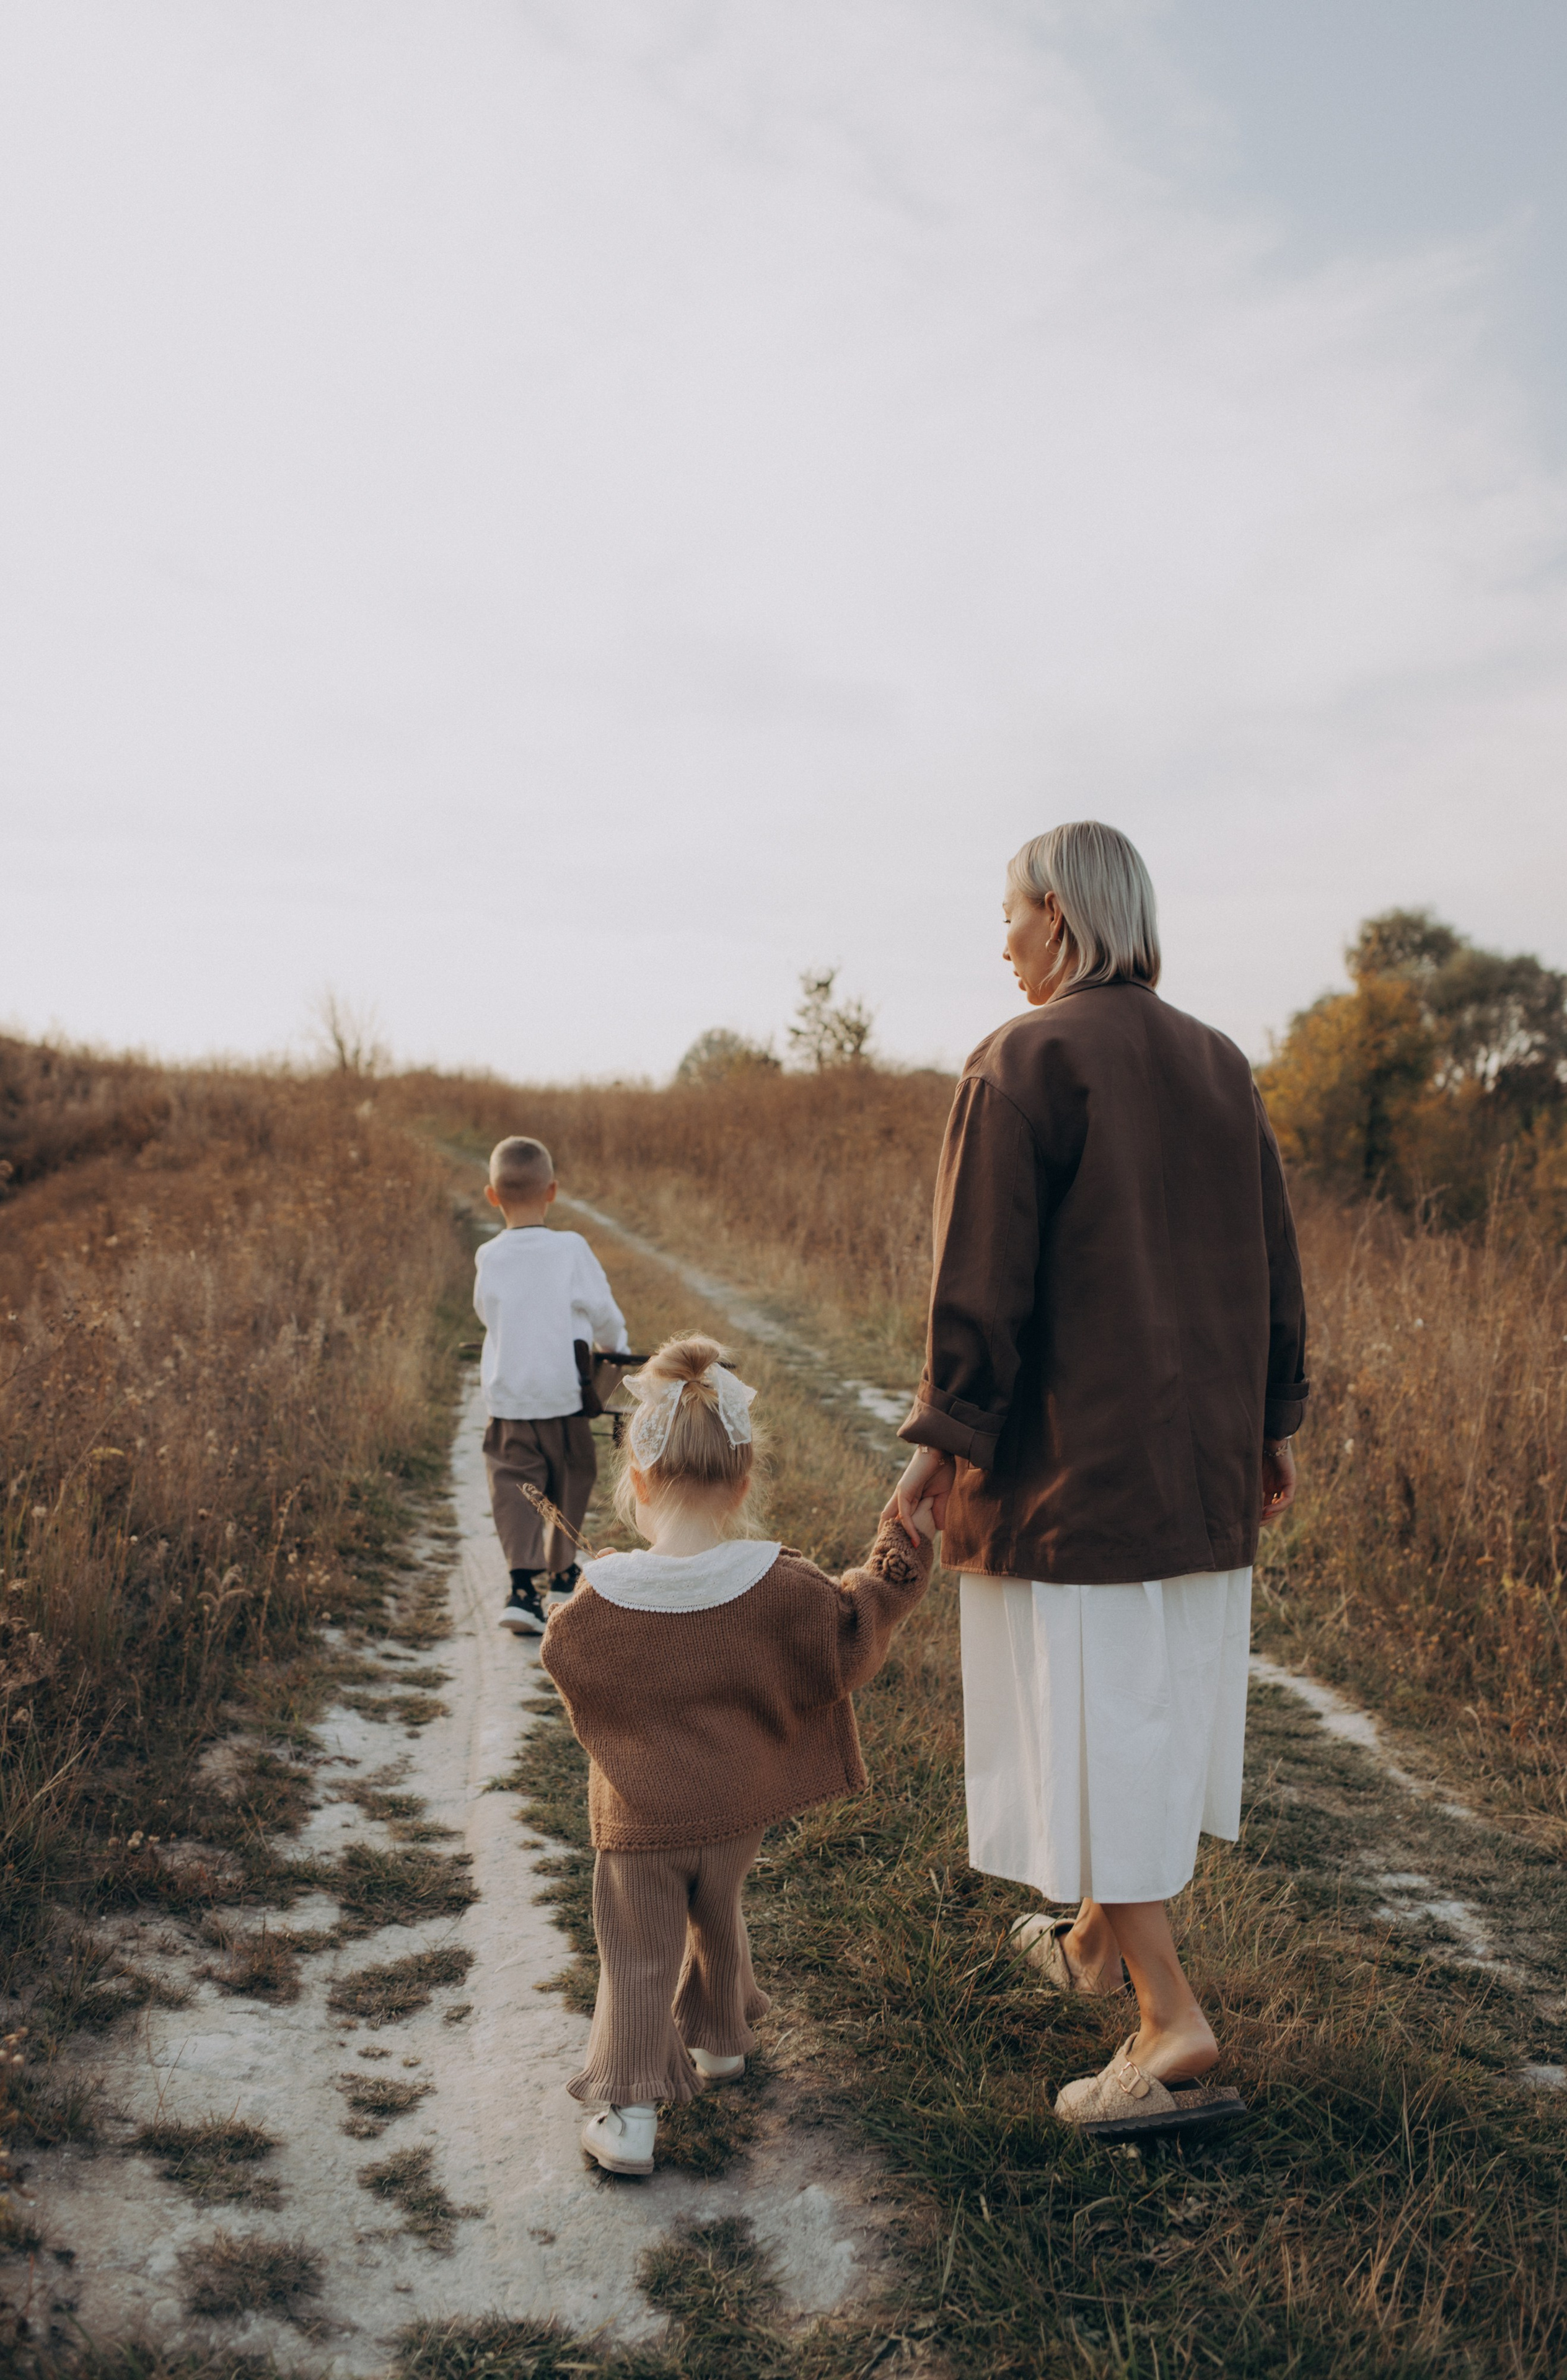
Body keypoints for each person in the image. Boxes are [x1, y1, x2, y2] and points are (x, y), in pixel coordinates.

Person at [885, 820, 1307, 2139]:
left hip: (1073, 1478)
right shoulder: (1218, 1064)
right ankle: (1085, 1944)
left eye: (1008, 914)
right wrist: (1270, 1428)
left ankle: (1167, 2022)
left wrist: (940, 1447)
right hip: (1196, 1478)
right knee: (1135, 1714)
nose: (999, 940)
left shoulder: (1022, 1061)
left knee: (1090, 1733)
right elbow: (1271, 1271)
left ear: (1058, 914)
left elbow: (981, 1290)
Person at [540, 1334, 937, 2177]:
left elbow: (566, 1665)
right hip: (734, 1813)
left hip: (638, 1824)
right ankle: (721, 2041)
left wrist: (585, 1600)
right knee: (717, 1913)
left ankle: (630, 2112)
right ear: (746, 1483)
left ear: (636, 1483)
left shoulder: (601, 1595)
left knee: (638, 1951)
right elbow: (848, 1640)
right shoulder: (780, 1584)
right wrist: (895, 1557)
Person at [474, 1134, 628, 1636]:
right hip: (565, 1396)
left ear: (492, 1196)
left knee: (514, 1489)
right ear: (553, 1191)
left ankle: (522, 1592)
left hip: (510, 1401)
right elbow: (604, 1313)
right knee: (570, 1483)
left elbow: (486, 1313)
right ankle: (563, 1577)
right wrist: (615, 1349)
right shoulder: (571, 1248)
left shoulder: (489, 1257)